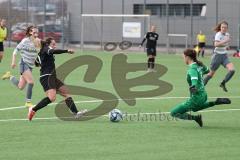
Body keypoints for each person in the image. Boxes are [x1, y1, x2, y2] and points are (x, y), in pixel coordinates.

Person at [28, 37, 87, 121]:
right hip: (47, 77)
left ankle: (76, 113)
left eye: (55, 44)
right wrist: (66, 51)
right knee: (52, 98)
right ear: (48, 44)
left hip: (52, 76)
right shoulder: (46, 49)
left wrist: (41, 62)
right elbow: (52, 51)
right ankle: (33, 109)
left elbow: (36, 63)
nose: (55, 45)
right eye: (53, 44)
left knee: (66, 93)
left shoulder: (42, 51)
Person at [170, 48, 231, 127]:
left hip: (196, 97)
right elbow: (207, 70)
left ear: (188, 57)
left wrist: (193, 86)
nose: (183, 59)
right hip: (203, 95)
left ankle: (195, 118)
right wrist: (200, 74)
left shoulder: (192, 69)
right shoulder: (199, 65)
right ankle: (216, 102)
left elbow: (194, 78)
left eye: (183, 57)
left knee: (173, 113)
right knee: (195, 108)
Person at [2, 26, 40, 107]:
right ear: (30, 32)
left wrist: (38, 62)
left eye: (37, 32)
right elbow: (15, 51)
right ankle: (28, 102)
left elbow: (39, 53)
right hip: (23, 64)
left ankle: (9, 76)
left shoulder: (38, 42)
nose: (36, 34)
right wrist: (13, 62)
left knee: (20, 86)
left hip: (30, 66)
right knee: (31, 82)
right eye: (34, 32)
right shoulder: (25, 41)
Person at [203, 21, 235, 92]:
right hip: (217, 56)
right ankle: (200, 87)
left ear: (227, 28)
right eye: (222, 27)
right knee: (211, 74)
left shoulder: (227, 34)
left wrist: (227, 46)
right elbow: (216, 44)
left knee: (232, 70)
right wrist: (225, 42)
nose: (224, 28)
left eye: (225, 27)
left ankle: (223, 83)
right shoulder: (218, 34)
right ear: (220, 28)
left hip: (224, 56)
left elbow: (226, 44)